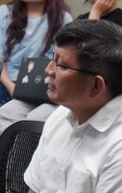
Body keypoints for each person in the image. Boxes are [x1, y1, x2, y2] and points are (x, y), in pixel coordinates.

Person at [0, 0, 122, 132]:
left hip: (90, 91)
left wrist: (96, 13)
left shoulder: (116, 21)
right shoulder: (80, 19)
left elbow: (89, 57)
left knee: (36, 117)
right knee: (7, 112)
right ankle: (11, 150)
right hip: (56, 85)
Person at [24, 19, 122, 192]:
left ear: (96, 85)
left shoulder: (117, 148)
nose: (48, 70)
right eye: (52, 59)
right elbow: (35, 188)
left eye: (60, 65)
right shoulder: (60, 116)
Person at [0, 0, 72, 110]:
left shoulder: (62, 18)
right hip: (6, 81)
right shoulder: (4, 12)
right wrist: (12, 87)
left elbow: (64, 58)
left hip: (43, 84)